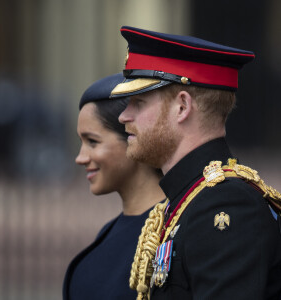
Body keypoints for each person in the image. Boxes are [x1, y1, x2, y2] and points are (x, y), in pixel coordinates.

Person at [111, 26, 281, 300]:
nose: (123, 116)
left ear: (182, 107)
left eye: (138, 103)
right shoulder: (187, 200)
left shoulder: (226, 204)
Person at [62, 72, 165, 300]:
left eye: (93, 142)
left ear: (133, 136)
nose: (80, 158)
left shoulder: (177, 228)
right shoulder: (109, 234)